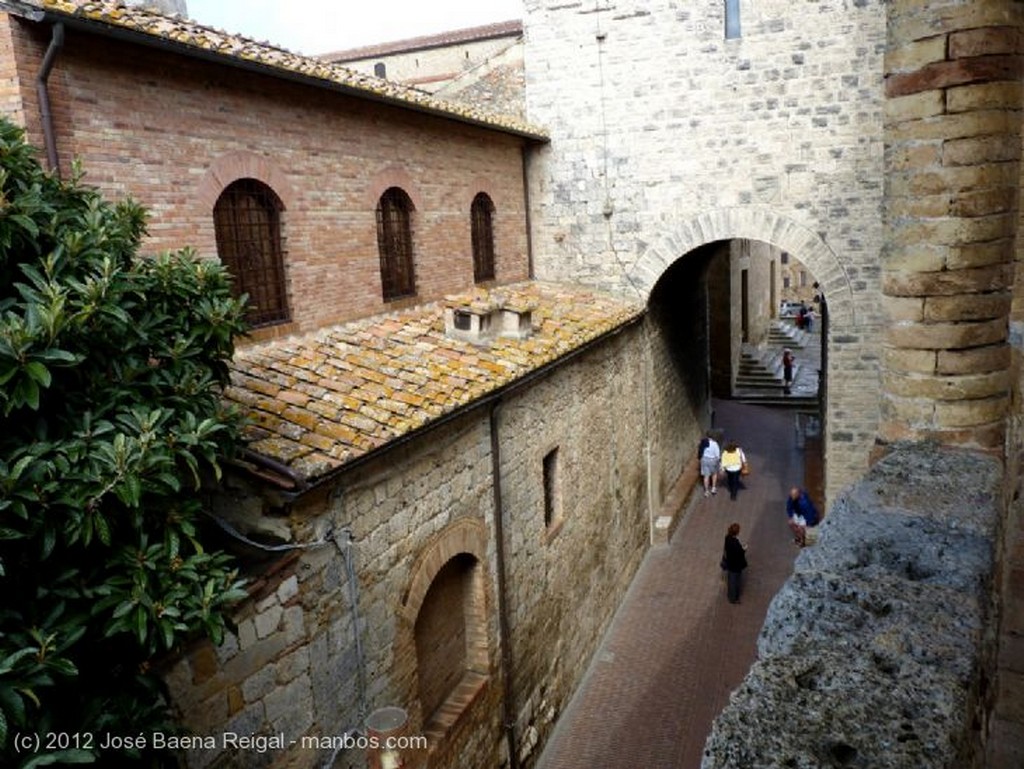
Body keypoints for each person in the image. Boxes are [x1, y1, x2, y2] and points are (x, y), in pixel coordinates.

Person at [722, 522, 748, 604]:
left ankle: (730, 595)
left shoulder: (727, 538)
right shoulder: (735, 544)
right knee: (735, 581)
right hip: (736, 565)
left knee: (730, 580)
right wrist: (744, 549)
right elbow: (740, 553)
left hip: (730, 563)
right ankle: (734, 598)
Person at [698, 430, 721, 497]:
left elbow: (700, 451)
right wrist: (719, 462)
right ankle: (713, 488)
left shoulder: (703, 443)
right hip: (713, 460)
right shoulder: (715, 444)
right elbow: (717, 455)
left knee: (706, 476)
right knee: (714, 474)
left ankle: (706, 491)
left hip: (704, 459)